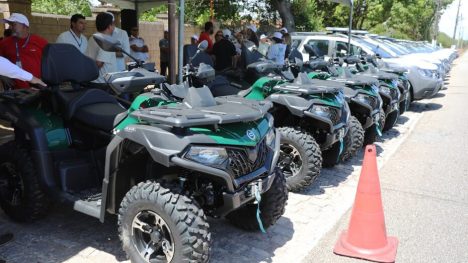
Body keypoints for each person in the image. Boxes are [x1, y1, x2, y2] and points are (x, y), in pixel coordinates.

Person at [0, 13, 48, 89]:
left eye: (14, 24)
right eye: (10, 24)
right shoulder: (4, 43)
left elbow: (51, 61)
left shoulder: (40, 41)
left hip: (38, 87)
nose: (10, 27)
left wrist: (46, 78)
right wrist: (2, 76)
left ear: (25, 26)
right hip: (15, 90)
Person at [85, 12, 117, 85]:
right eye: (113, 24)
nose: (114, 27)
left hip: (93, 81)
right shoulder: (106, 41)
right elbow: (99, 63)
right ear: (109, 26)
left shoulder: (93, 37)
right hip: (102, 83)